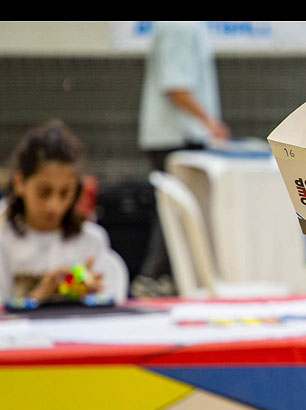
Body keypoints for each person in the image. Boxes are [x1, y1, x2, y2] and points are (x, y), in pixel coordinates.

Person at [135, 21, 231, 296]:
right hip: (175, 137)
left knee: (174, 210)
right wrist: (209, 122)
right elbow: (175, 85)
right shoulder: (180, 27)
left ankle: (167, 277)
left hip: (173, 136)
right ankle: (154, 277)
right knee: (176, 210)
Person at [0, 120, 125, 303]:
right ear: (20, 183)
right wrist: (38, 298)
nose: (54, 205)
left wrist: (92, 298)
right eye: (44, 192)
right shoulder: (4, 242)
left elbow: (112, 316)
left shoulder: (91, 241)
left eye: (65, 193)